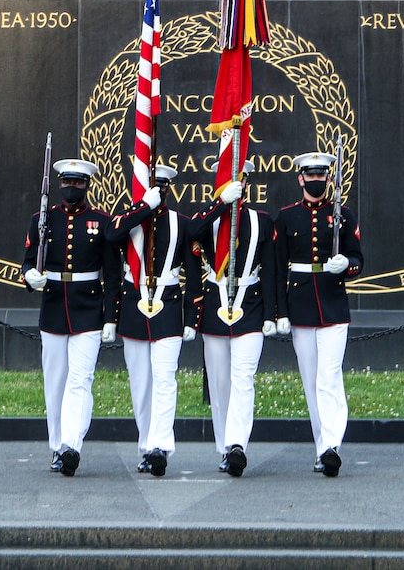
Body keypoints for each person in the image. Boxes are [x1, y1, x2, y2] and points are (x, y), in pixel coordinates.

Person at [22, 158, 121, 477]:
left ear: (87, 185)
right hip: (53, 306)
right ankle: (56, 446)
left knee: (81, 380)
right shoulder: (42, 219)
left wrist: (110, 317)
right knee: (55, 383)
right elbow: (26, 262)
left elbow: (112, 273)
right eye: (66, 183)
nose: (71, 189)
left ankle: (71, 446)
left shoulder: (100, 221)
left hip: (88, 308)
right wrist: (30, 276)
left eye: (78, 184)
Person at [105, 165, 200, 477]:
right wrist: (143, 207)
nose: (158, 191)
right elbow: (112, 235)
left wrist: (192, 316)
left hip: (168, 305)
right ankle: (146, 445)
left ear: (170, 189)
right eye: (152, 186)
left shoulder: (181, 224)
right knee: (140, 383)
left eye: (162, 187)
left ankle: (160, 446)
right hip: (134, 306)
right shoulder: (130, 220)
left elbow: (193, 273)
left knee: (165, 378)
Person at [274, 152, 363, 477]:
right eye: (309, 176)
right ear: (300, 179)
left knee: (329, 376)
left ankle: (331, 447)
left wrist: (347, 266)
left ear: (328, 179)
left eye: (321, 176)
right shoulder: (286, 217)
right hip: (299, 306)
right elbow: (277, 267)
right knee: (312, 382)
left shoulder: (343, 215)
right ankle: (321, 446)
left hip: (333, 304)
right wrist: (280, 312)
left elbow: (357, 259)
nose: (315, 181)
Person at [188, 160, 277, 477]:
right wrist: (220, 203)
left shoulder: (261, 221)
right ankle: (225, 445)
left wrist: (271, 314)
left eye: (240, 180)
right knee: (220, 382)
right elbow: (191, 231)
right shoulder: (210, 218)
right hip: (214, 304)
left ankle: (237, 445)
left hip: (250, 305)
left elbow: (270, 271)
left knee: (243, 378)